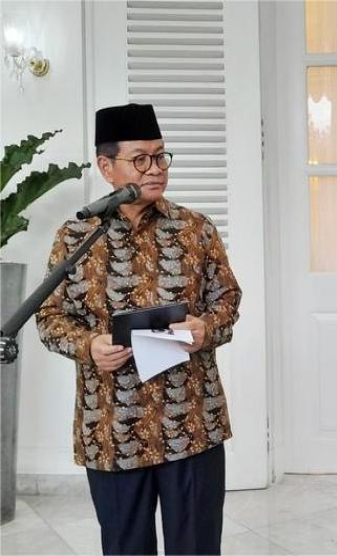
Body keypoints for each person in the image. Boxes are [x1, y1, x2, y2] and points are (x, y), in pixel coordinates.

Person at [36, 103, 241, 555]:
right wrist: (89, 345)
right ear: (107, 167)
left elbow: (228, 299)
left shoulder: (195, 229)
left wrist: (206, 329)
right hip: (111, 428)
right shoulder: (76, 236)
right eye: (141, 159)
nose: (156, 169)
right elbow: (49, 318)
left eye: (161, 156)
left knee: (197, 548)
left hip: (191, 422)